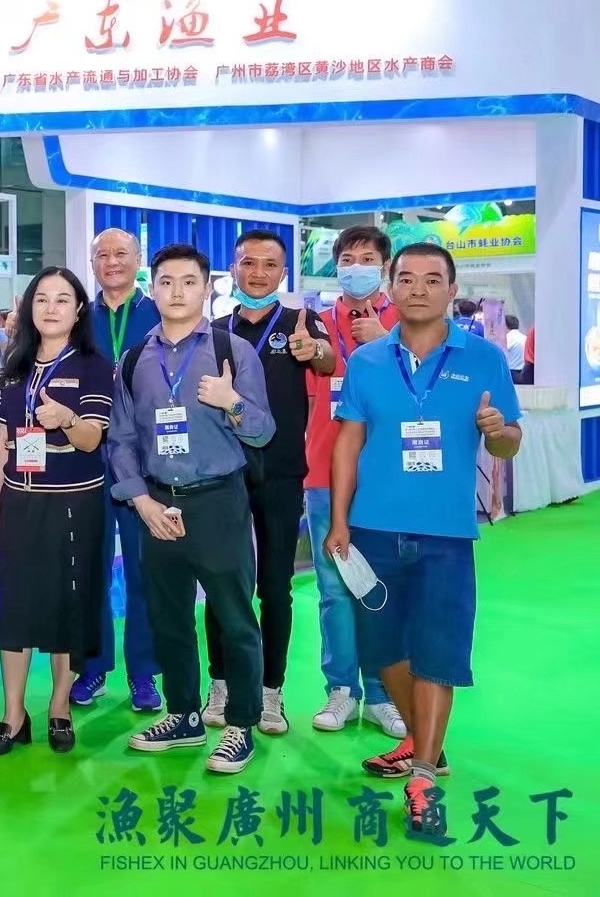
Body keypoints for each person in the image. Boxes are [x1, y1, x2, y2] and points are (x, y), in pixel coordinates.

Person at [325, 242, 521, 838]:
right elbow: (348, 443)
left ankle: (423, 777)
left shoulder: (484, 359)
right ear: (392, 286)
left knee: (437, 653)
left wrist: (498, 430)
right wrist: (339, 521)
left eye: (432, 279)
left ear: (451, 290)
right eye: (406, 278)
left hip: (446, 535)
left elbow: (509, 440)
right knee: (383, 651)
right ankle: (422, 743)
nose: (418, 289)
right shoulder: (367, 361)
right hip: (373, 530)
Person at [105, 244, 274, 775]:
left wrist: (231, 402)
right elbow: (121, 439)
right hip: (157, 503)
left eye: (189, 282)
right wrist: (140, 500)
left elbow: (263, 430)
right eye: (166, 282)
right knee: (168, 616)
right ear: (152, 289)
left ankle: (241, 723)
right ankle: (183, 715)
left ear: (207, 288)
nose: (177, 292)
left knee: (234, 617)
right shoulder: (134, 359)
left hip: (218, 501)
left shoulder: (231, 351)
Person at [199, 230, 334, 737]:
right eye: (248, 263)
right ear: (233, 269)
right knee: (221, 584)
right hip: (223, 473)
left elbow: (327, 360)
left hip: (280, 472)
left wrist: (314, 349)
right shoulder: (214, 331)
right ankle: (221, 683)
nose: (258, 273)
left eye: (269, 264)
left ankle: (271, 691)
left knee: (275, 586)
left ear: (283, 273)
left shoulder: (301, 321)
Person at [0, 268, 112, 757]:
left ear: (78, 310)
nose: (51, 308)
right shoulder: (14, 364)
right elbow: (3, 438)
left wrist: (67, 418)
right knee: (13, 609)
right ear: (28, 308)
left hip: (74, 503)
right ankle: (13, 714)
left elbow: (92, 439)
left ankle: (59, 706)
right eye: (41, 298)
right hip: (20, 501)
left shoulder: (95, 365)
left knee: (67, 608)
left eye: (62, 299)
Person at [304, 225, 407, 737]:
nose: (355, 267)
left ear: (384, 268)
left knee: (383, 584)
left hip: (386, 475)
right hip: (324, 473)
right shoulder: (316, 325)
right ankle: (341, 689)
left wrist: (385, 344)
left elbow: (419, 391)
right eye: (347, 258)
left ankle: (384, 693)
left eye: (367, 258)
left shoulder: (405, 323)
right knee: (334, 587)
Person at [81, 227, 162, 713]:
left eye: (121, 253)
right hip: (87, 459)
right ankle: (92, 667)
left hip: (144, 460)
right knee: (90, 566)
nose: (112, 261)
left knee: (143, 569)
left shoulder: (158, 313)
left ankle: (143, 672)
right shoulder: (78, 317)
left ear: (138, 259)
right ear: (92, 262)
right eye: (102, 255)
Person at [504, 315, 527, 380]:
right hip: (524, 372)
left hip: (511, 373)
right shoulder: (525, 337)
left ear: (505, 326)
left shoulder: (507, 338)